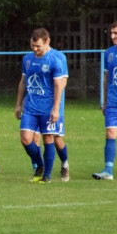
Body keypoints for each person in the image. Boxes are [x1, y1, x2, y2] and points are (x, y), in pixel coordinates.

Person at [15, 28, 70, 183]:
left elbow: (61, 84)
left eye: (38, 46)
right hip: (31, 106)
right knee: (26, 139)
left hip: (50, 107)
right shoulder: (27, 59)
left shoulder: (57, 59)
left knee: (54, 140)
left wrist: (56, 108)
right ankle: (40, 165)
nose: (35, 49)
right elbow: (23, 83)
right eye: (32, 45)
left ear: (47, 42)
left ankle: (59, 167)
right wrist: (18, 104)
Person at [93, 20, 117, 180]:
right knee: (110, 133)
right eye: (111, 33)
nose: (112, 36)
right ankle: (108, 171)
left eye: (116, 33)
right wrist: (105, 100)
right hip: (114, 102)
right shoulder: (109, 53)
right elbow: (106, 78)